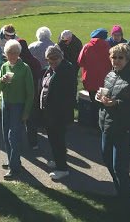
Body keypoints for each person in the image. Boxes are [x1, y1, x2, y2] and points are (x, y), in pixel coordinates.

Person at [96, 43, 130, 210]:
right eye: (113, 57)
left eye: (120, 58)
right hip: (107, 124)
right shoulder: (111, 74)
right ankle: (120, 193)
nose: (116, 60)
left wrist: (117, 103)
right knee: (107, 160)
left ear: (127, 59)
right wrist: (101, 97)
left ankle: (128, 204)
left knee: (120, 167)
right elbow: (108, 96)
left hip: (125, 128)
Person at [0, 40, 34, 179]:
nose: (12, 55)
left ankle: (15, 168)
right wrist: (2, 81)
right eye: (9, 53)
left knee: (14, 136)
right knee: (6, 133)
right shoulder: (4, 66)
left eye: (15, 53)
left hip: (19, 105)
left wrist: (26, 111)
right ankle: (12, 160)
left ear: (19, 53)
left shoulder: (25, 68)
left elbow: (30, 92)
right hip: (6, 104)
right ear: (5, 54)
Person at [40, 45, 78, 180]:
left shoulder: (66, 70)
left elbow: (67, 95)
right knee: (53, 139)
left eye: (55, 58)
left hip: (59, 113)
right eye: (49, 59)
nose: (52, 61)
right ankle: (57, 161)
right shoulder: (50, 70)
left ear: (61, 57)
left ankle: (62, 168)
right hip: (50, 112)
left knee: (58, 140)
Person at [78, 29, 112, 124]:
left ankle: (94, 123)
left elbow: (80, 62)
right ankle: (102, 123)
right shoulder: (108, 48)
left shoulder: (87, 47)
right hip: (104, 81)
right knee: (103, 103)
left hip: (90, 80)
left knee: (93, 102)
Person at [18, 38, 43, 150]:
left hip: (19, 95)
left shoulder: (18, 62)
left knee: (18, 121)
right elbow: (39, 75)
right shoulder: (34, 60)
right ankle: (34, 143)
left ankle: (19, 143)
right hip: (33, 94)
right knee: (31, 121)